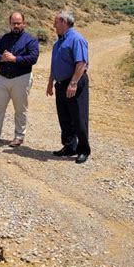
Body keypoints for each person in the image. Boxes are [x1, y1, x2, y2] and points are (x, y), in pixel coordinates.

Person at [0, 12, 39, 147]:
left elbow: (33, 58)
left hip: (21, 79)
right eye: (14, 23)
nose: (16, 25)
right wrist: (2, 57)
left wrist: (15, 59)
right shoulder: (2, 39)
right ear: (9, 24)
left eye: (19, 23)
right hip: (2, 78)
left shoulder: (31, 40)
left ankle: (19, 136)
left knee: (20, 109)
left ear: (24, 23)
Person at [46, 9, 91, 164]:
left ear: (64, 22)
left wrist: (73, 83)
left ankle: (83, 150)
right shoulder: (58, 42)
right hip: (60, 85)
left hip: (74, 83)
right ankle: (70, 146)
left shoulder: (76, 39)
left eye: (55, 22)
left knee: (79, 117)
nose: (53, 25)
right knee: (64, 117)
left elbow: (81, 63)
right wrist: (50, 83)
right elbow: (54, 64)